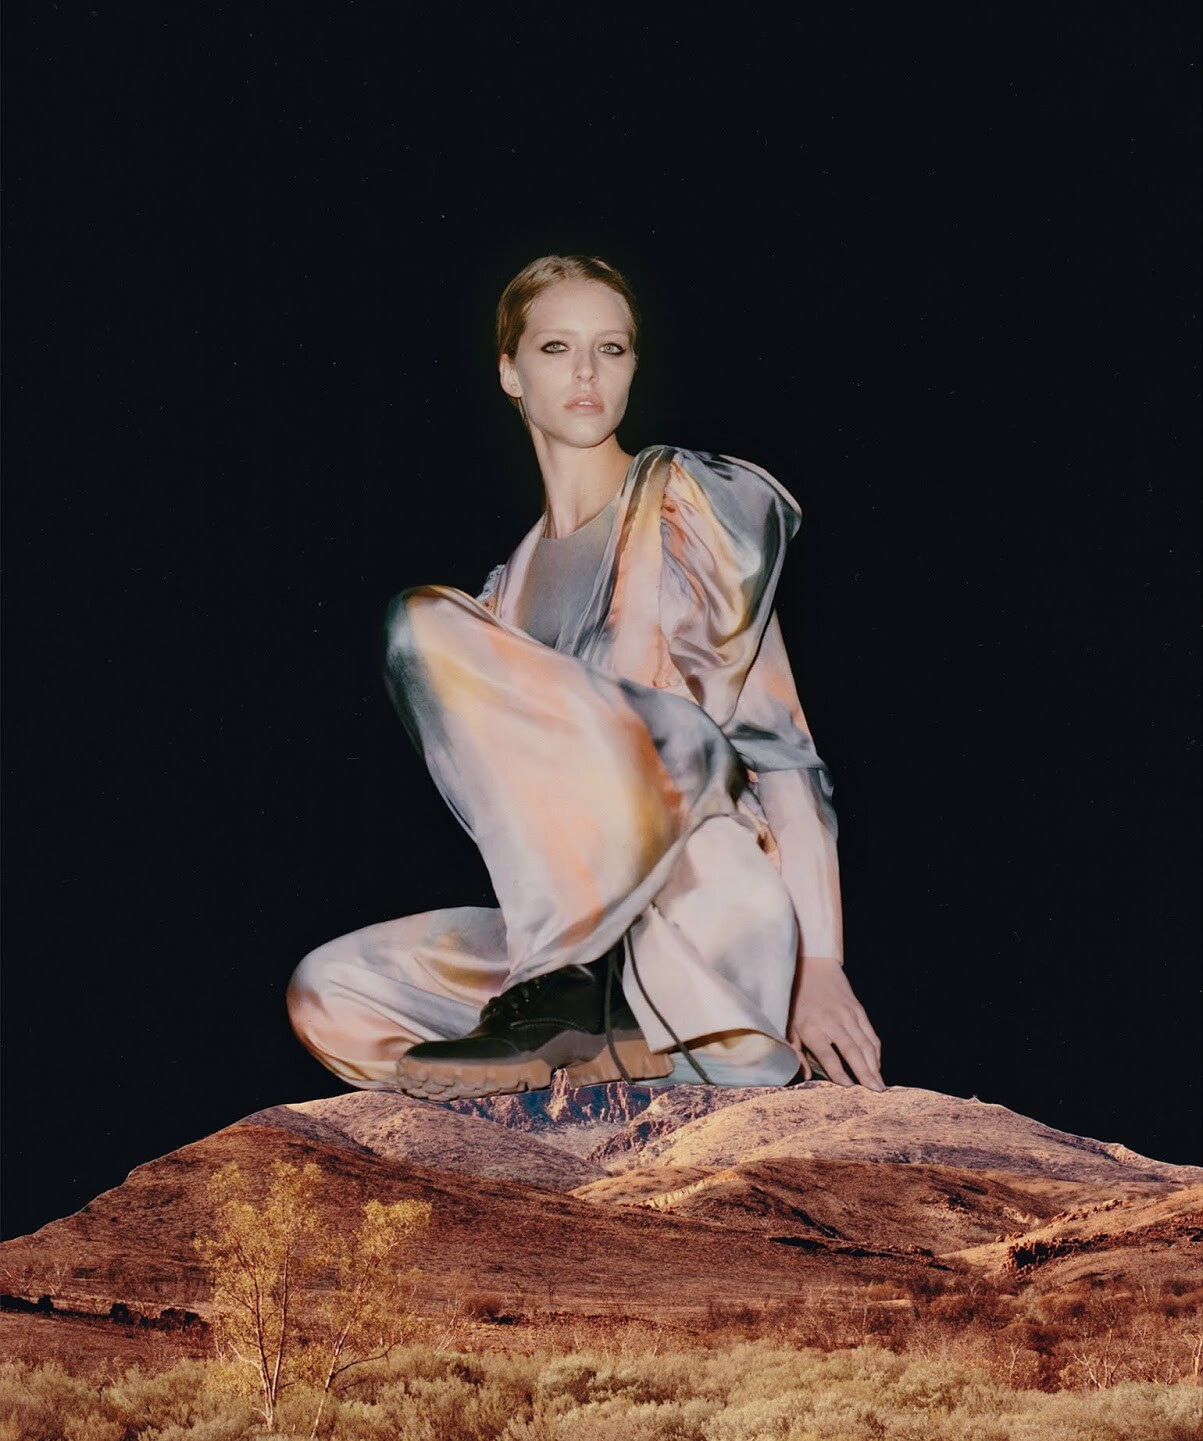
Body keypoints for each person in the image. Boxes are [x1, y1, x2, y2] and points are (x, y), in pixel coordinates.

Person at [287, 254, 884, 1103]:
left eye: (611, 349)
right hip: (576, 957)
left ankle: (606, 1013)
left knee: (417, 621)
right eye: (556, 347)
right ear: (510, 372)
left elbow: (778, 748)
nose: (585, 374)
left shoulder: (682, 505)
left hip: (701, 908)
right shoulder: (498, 602)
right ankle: (569, 1045)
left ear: (633, 366)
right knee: (329, 989)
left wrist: (819, 965)